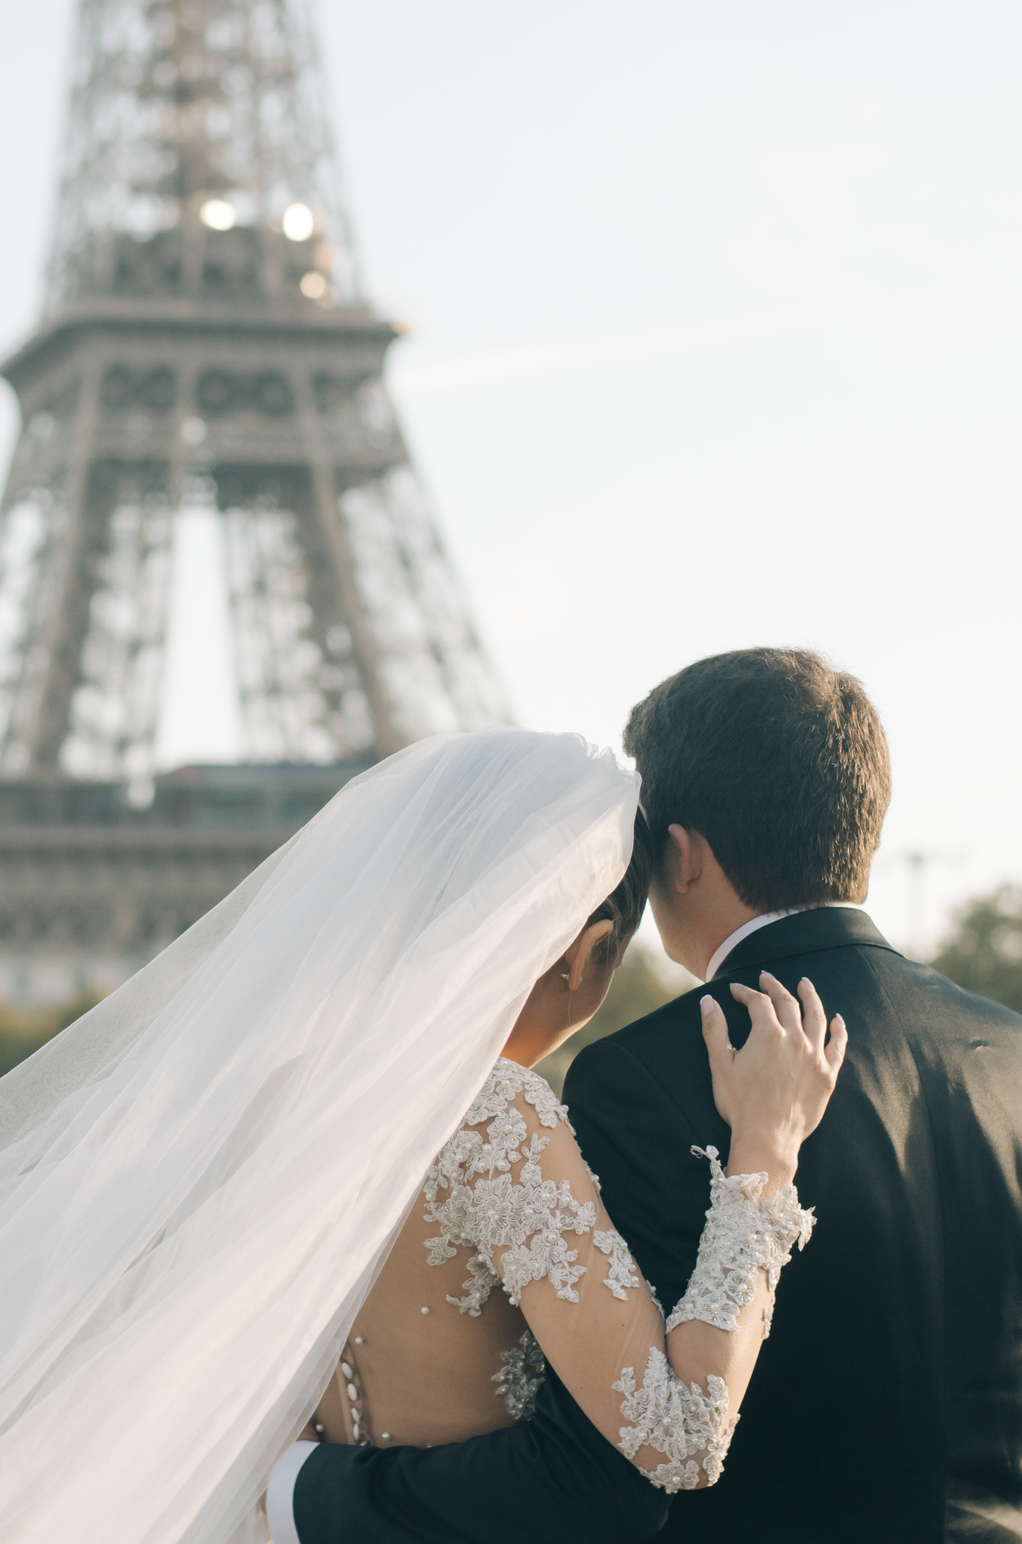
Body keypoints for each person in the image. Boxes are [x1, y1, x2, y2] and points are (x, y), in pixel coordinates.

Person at [0, 726, 837, 1544]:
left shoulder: (278, 1104)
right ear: (584, 950)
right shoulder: (496, 1116)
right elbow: (678, 1436)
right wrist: (766, 1155)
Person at [287, 650, 1022, 1544]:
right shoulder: (1009, 1055)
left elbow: (596, 1479)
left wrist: (293, 1488)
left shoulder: (645, 1075)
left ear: (680, 854)